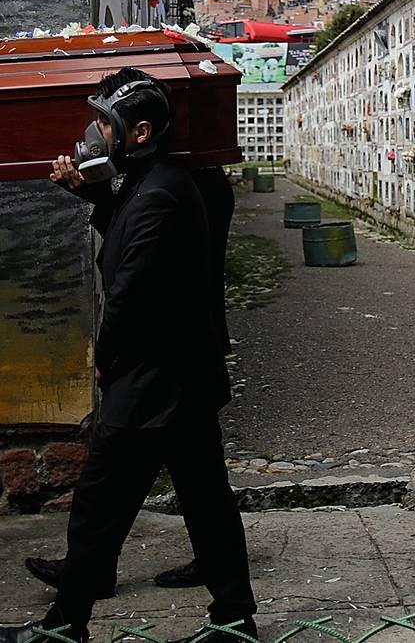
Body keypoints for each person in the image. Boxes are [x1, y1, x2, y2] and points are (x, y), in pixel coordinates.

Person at [0, 68, 256, 643]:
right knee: (205, 500)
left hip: (152, 379)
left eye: (104, 122)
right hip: (179, 376)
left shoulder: (160, 193)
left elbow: (130, 293)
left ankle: (65, 628)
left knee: (99, 503)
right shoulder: (155, 180)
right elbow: (128, 230)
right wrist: (88, 190)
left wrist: (104, 359)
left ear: (138, 132)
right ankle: (236, 621)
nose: (95, 131)